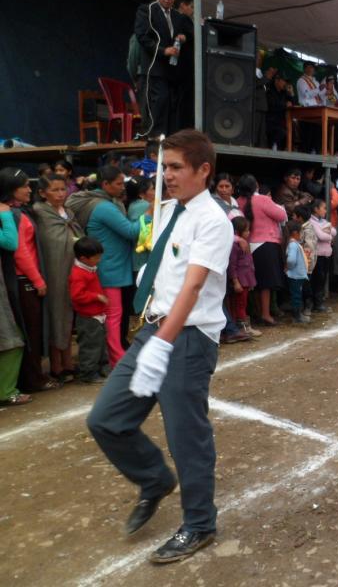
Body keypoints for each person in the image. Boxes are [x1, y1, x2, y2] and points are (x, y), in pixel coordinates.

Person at [87, 129, 233, 564]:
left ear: (203, 170)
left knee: (186, 436)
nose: (165, 174)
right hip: (156, 328)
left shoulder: (214, 220)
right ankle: (154, 480)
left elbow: (192, 287)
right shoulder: (171, 210)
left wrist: (160, 344)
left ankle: (200, 524)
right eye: (163, 166)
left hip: (186, 337)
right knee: (106, 419)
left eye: (175, 167)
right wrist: (151, 336)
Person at [67, 166, 147, 368]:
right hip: (110, 268)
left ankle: (113, 357)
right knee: (113, 316)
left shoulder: (108, 204)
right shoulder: (104, 207)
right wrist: (149, 214)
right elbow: (131, 231)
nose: (122, 188)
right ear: (105, 184)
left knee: (113, 316)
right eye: (119, 184)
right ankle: (117, 358)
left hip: (111, 266)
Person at [3, 169, 61, 393]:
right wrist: (38, 280)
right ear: (10, 189)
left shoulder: (19, 211)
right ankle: (32, 379)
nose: (29, 189)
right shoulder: (11, 214)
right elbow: (20, 251)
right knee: (30, 332)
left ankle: (31, 376)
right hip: (22, 280)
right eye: (24, 186)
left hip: (23, 279)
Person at [34, 174, 84, 383]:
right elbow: (47, 242)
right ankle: (56, 365)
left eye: (63, 189)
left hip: (73, 271)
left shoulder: (69, 212)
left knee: (69, 313)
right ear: (42, 193)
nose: (60, 194)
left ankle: (69, 362)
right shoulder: (39, 213)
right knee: (56, 313)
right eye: (54, 190)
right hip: (53, 272)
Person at [134, 0, 186, 137]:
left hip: (171, 72)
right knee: (157, 107)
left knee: (170, 108)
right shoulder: (147, 10)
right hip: (153, 70)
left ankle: (166, 142)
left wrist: (183, 37)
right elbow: (142, 36)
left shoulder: (176, 16)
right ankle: (153, 143)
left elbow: (185, 32)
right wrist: (163, 50)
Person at [239, 175, 287, 327]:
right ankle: (265, 315)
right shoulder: (262, 200)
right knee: (265, 284)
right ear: (256, 186)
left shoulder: (239, 201)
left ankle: (253, 313)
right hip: (266, 244)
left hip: (246, 245)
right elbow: (282, 215)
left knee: (250, 284)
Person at [0, 176, 30, 405]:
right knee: (12, 340)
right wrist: (4, 213)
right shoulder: (6, 212)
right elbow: (11, 243)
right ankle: (6, 391)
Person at [70, 237, 109, 383]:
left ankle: (102, 368)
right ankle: (88, 374)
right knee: (90, 346)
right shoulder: (79, 273)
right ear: (83, 258)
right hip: (88, 317)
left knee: (100, 344)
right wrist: (96, 297)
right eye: (96, 257)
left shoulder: (89, 269)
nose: (99, 260)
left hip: (97, 314)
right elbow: (77, 295)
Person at [228, 216, 260, 337]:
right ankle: (244, 328)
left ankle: (242, 327)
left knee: (242, 303)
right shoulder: (235, 246)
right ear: (237, 231)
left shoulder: (244, 244)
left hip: (246, 280)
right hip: (240, 281)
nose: (248, 232)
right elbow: (232, 265)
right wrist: (236, 281)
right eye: (246, 230)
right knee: (240, 304)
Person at [308, 199, 335, 312]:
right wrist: (328, 235)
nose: (325, 210)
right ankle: (316, 304)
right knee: (318, 280)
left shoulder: (323, 221)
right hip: (318, 256)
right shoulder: (311, 222)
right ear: (316, 209)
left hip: (326, 255)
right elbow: (321, 236)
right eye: (323, 208)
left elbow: (334, 231)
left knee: (323, 279)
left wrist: (327, 232)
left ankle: (319, 302)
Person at [173, 0, 195, 130]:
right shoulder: (183, 19)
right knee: (185, 103)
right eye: (191, 6)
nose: (192, 10)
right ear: (183, 6)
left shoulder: (172, 19)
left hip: (176, 68)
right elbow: (192, 36)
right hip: (185, 68)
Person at [285, 221, 310, 323]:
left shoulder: (294, 244)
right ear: (295, 233)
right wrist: (289, 267)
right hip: (295, 276)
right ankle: (297, 316)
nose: (301, 235)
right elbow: (291, 260)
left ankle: (297, 314)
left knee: (296, 294)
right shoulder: (293, 245)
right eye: (300, 232)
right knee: (296, 295)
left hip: (296, 275)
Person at [264, 73, 291, 150]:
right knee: (281, 132)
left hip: (280, 122)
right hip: (271, 122)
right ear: (276, 81)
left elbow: (292, 101)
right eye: (283, 81)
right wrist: (285, 105)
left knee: (288, 131)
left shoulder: (284, 92)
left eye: (286, 82)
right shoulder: (269, 91)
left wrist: (290, 93)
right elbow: (272, 106)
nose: (285, 83)